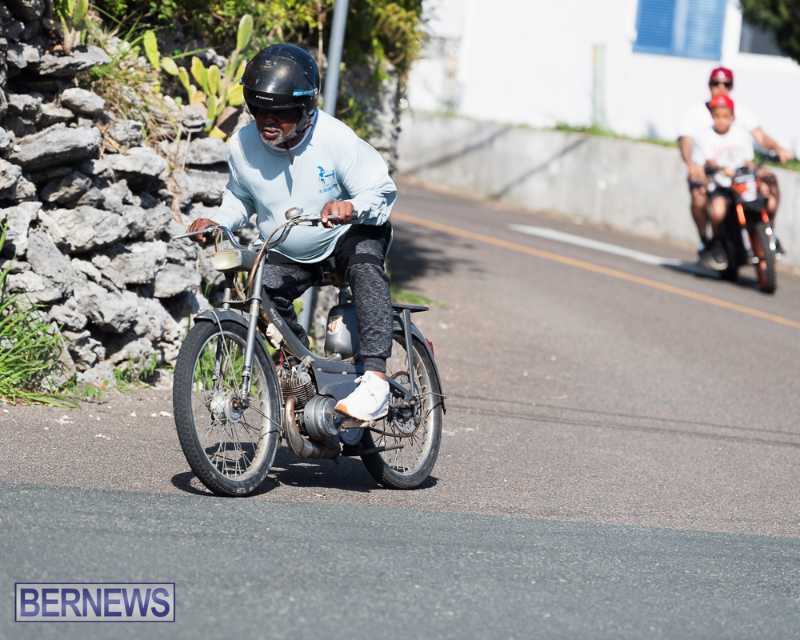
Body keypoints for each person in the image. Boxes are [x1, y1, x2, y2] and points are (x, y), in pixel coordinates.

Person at [187, 43, 397, 422]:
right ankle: (303, 382)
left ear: (305, 109)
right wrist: (219, 221)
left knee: (365, 264)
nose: (268, 121)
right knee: (259, 289)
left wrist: (350, 207)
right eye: (258, 109)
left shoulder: (335, 139)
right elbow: (239, 198)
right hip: (290, 246)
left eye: (281, 112)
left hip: (344, 236)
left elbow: (380, 191)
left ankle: (375, 382)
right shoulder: (242, 145)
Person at [677, 66, 792, 259]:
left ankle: (769, 233)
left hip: (739, 172)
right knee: (700, 197)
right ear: (709, 85)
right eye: (716, 83)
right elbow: (686, 141)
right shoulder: (696, 114)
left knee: (769, 182)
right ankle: (708, 242)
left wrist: (779, 149)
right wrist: (691, 165)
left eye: (726, 84)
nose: (721, 88)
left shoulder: (741, 114)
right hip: (708, 172)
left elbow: (760, 138)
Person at [692, 94, 755, 269]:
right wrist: (714, 171)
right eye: (717, 116)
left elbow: (749, 161)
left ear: (732, 117)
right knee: (718, 211)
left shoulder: (741, 135)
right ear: (712, 116)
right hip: (720, 187)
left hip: (742, 184)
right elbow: (700, 166)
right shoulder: (704, 137)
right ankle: (718, 244)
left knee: (764, 196)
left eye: (725, 116)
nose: (721, 120)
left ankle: (766, 238)